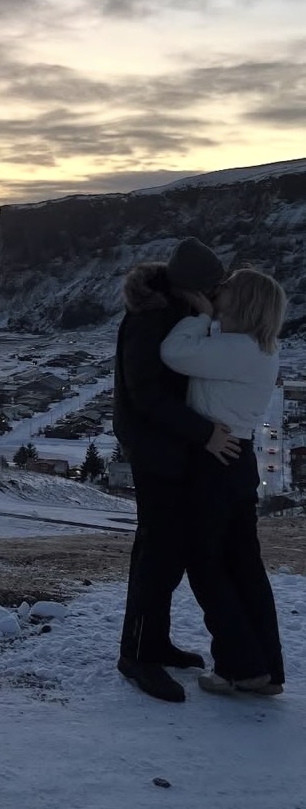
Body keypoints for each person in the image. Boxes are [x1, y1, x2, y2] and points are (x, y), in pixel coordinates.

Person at [113, 237, 241, 703]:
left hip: (172, 448)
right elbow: (146, 393)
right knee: (157, 553)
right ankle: (137, 655)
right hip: (157, 451)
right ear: (194, 287)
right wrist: (203, 432)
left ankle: (154, 642)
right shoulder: (152, 317)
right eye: (214, 288)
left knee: (166, 551)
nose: (218, 295)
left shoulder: (174, 310)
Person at [161, 267, 286, 695]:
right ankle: (266, 669)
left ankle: (240, 667)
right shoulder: (257, 348)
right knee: (244, 565)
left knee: (207, 563)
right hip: (237, 460)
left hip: (215, 461)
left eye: (229, 287)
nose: (219, 289)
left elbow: (174, 352)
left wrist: (200, 315)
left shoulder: (237, 348)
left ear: (245, 300)